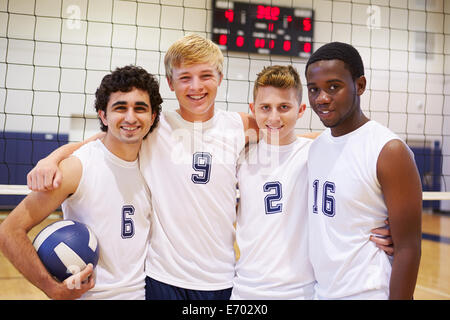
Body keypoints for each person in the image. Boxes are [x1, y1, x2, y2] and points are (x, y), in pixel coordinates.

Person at [25, 35, 392, 300]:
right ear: (170, 83)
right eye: (185, 78)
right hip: (161, 278)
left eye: (205, 76)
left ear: (219, 79)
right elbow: (103, 140)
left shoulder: (240, 126)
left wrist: (380, 215)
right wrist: (53, 158)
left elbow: (298, 136)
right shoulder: (154, 124)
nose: (196, 86)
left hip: (222, 279)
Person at [0, 65, 163, 300]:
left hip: (144, 294)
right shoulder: (77, 167)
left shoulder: (153, 161)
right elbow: (9, 231)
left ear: (153, 116)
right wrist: (52, 288)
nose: (130, 117)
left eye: (140, 108)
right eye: (120, 108)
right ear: (103, 115)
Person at [305, 42, 422, 299]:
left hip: (369, 291)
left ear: (360, 85)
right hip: (322, 292)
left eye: (333, 87)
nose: (322, 98)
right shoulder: (316, 148)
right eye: (314, 89)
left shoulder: (389, 151)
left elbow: (408, 248)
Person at [232, 65, 316, 299]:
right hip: (246, 289)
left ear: (300, 110)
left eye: (284, 107)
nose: (274, 117)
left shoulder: (317, 154)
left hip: (302, 291)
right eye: (265, 108)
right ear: (253, 109)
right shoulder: (240, 156)